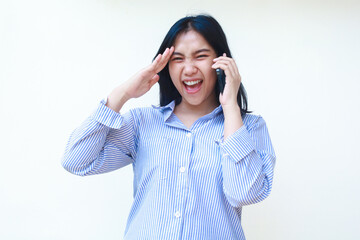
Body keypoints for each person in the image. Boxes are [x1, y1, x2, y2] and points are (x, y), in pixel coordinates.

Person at [62, 14, 276, 240]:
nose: (189, 68)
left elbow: (244, 193)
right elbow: (76, 161)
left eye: (201, 56)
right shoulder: (142, 123)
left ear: (221, 63)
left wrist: (230, 106)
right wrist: (122, 94)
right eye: (178, 59)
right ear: (166, 66)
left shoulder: (250, 128)